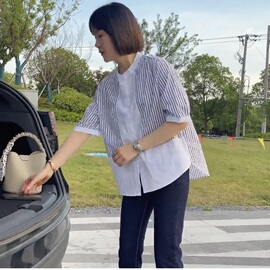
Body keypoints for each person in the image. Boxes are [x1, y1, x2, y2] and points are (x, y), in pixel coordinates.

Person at [22, 2, 209, 268]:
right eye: (95, 37)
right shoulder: (107, 88)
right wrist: (49, 169)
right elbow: (82, 129)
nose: (97, 44)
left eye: (100, 35)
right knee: (127, 254)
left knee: (167, 253)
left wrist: (135, 147)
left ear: (118, 31)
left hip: (170, 172)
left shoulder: (158, 69)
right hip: (134, 179)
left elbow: (178, 121)